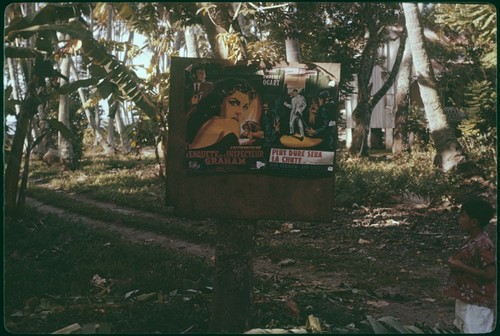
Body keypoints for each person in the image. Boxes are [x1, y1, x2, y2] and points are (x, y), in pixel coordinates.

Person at [444, 198, 496, 334]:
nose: (459, 219)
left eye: (463, 216)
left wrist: (460, 266)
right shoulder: (472, 240)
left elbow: (490, 274)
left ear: (474, 222)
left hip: (478, 303)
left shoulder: (484, 244)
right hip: (466, 297)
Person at [186, 78, 258, 150]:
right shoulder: (231, 123)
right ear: (219, 102)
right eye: (234, 103)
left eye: (245, 107)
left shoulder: (209, 121)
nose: (240, 111)